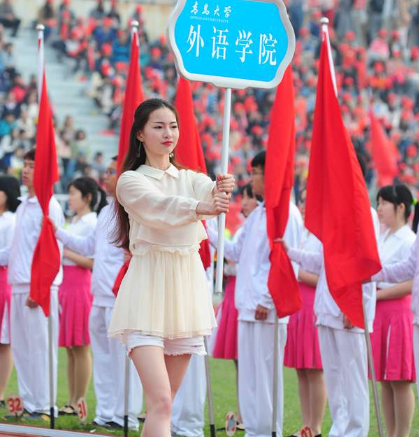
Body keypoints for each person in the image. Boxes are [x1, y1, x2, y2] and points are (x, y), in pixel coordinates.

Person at [108, 98, 234, 437]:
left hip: (185, 292)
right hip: (146, 291)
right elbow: (159, 207)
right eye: (159, 126)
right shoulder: (130, 182)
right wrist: (201, 206)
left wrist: (222, 187)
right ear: (140, 134)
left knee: (164, 403)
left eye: (173, 126)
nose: (168, 133)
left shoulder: (191, 178)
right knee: (160, 398)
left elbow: (208, 190)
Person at [208, 151, 303, 437]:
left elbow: (286, 263)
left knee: (265, 376)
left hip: (267, 307)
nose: (252, 179)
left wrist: (267, 300)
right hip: (246, 305)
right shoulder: (259, 213)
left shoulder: (287, 213)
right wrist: (207, 223)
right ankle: (254, 430)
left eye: (257, 173)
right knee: (249, 375)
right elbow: (235, 252)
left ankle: (267, 430)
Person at [55, 157, 142, 431]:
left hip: (120, 296)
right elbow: (88, 246)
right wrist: (56, 232)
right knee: (104, 358)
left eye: (111, 171)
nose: (106, 175)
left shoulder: (132, 211)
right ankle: (105, 412)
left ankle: (125, 414)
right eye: (105, 170)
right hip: (99, 296)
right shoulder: (105, 212)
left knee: (122, 359)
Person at [282, 207, 379, 437]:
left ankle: (356, 432)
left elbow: (366, 261)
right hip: (326, 309)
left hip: (348, 312)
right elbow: (322, 260)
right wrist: (290, 252)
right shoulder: (336, 214)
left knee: (353, 381)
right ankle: (339, 430)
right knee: (335, 381)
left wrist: (358, 305)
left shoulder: (364, 213)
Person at [8, 149, 64, 418]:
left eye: (33, 166)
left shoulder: (49, 205)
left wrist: (38, 287)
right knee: (21, 348)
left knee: (40, 348)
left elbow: (52, 251)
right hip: (17, 285)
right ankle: (29, 403)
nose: (26, 170)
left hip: (38, 287)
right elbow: (16, 249)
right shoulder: (22, 206)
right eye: (26, 165)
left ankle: (44, 405)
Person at [211, 183, 260, 431]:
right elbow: (231, 253)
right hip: (235, 293)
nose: (244, 203)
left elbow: (244, 261)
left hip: (247, 293)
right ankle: (243, 414)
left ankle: (249, 415)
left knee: (249, 360)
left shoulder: (256, 226)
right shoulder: (244, 227)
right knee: (239, 361)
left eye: (248, 198)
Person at [58, 177, 107, 416]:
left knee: (79, 345)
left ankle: (79, 399)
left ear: (87, 197)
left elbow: (91, 261)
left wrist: (65, 251)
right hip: (66, 283)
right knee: (69, 346)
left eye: (74, 193)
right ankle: (70, 399)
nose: (70, 198)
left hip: (80, 283)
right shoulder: (74, 221)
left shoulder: (91, 222)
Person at [370, 185, 416, 437]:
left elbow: (411, 281)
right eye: (378, 203)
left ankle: (402, 433)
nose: (379, 209)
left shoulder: (408, 239)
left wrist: (379, 294)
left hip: (398, 311)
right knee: (385, 379)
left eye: (384, 204)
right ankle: (389, 433)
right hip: (381, 311)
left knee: (399, 379)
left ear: (400, 207)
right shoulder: (384, 236)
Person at [284, 188, 326, 437]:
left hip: (313, 302)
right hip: (298, 303)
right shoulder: (303, 234)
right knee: (301, 367)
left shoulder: (321, 236)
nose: (302, 206)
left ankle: (317, 427)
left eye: (307, 202)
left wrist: (296, 273)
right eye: (301, 201)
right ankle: (306, 425)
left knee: (314, 367)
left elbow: (324, 275)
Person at [0, 175, 20, 407]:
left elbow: (8, 252)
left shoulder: (11, 220)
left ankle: (2, 393)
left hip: (4, 279)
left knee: (4, 340)